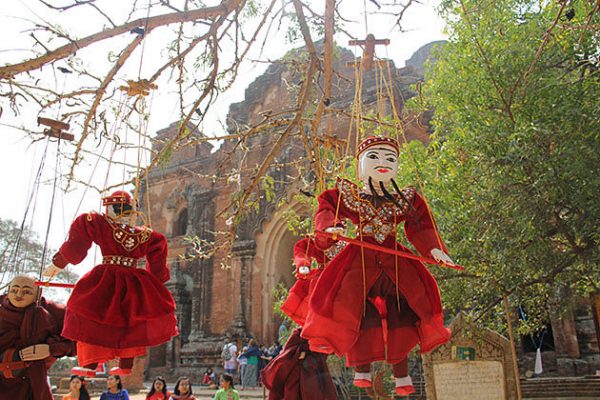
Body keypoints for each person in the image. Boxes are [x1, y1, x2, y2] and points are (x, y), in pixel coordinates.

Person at [301, 136, 454, 396]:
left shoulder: (405, 199)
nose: (383, 163)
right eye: (373, 157)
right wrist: (330, 226)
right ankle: (362, 369)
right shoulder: (349, 197)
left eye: (390, 158)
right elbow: (327, 205)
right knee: (355, 310)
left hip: (394, 260)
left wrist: (434, 249)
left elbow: (421, 224)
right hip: (359, 259)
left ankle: (401, 374)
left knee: (404, 309)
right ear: (359, 165)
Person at [42, 190, 178, 376]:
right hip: (134, 282)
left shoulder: (100, 224)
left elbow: (78, 242)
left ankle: (92, 364)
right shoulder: (146, 236)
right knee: (131, 320)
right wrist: (156, 280)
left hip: (106, 278)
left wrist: (58, 264)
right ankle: (124, 364)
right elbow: (158, 260)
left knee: (91, 315)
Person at [0, 274, 76, 400]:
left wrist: (50, 349)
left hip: (33, 383)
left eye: (26, 291)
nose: (19, 295)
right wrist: (14, 357)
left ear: (38, 293)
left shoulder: (52, 312)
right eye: (14, 290)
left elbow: (79, 341)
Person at [261, 328, 337, 400]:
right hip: (296, 373)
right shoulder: (298, 333)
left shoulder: (319, 335)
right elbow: (288, 352)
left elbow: (324, 353)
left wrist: (309, 356)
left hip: (312, 374)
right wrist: (298, 353)